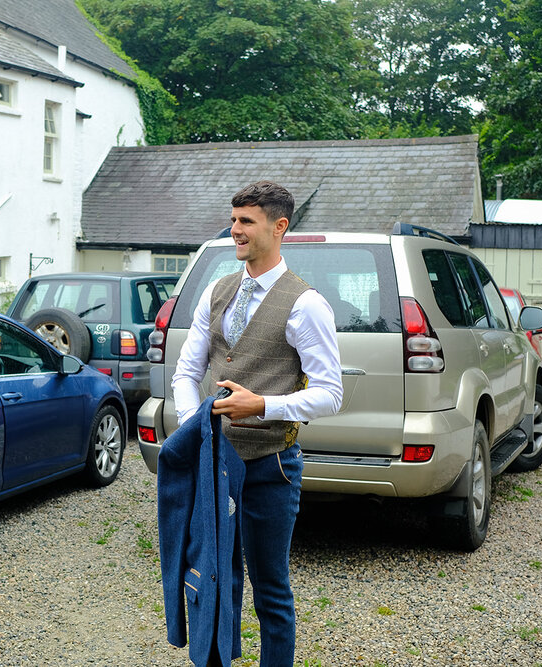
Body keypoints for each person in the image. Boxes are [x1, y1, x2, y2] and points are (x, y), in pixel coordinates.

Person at [171, 180, 343, 666]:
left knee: (270, 590)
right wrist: (194, 427)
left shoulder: (306, 304)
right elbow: (187, 372)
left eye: (246, 221)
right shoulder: (217, 291)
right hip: (214, 466)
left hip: (271, 467)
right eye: (234, 220)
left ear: (278, 226)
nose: (235, 230)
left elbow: (330, 395)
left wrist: (262, 406)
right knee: (212, 580)